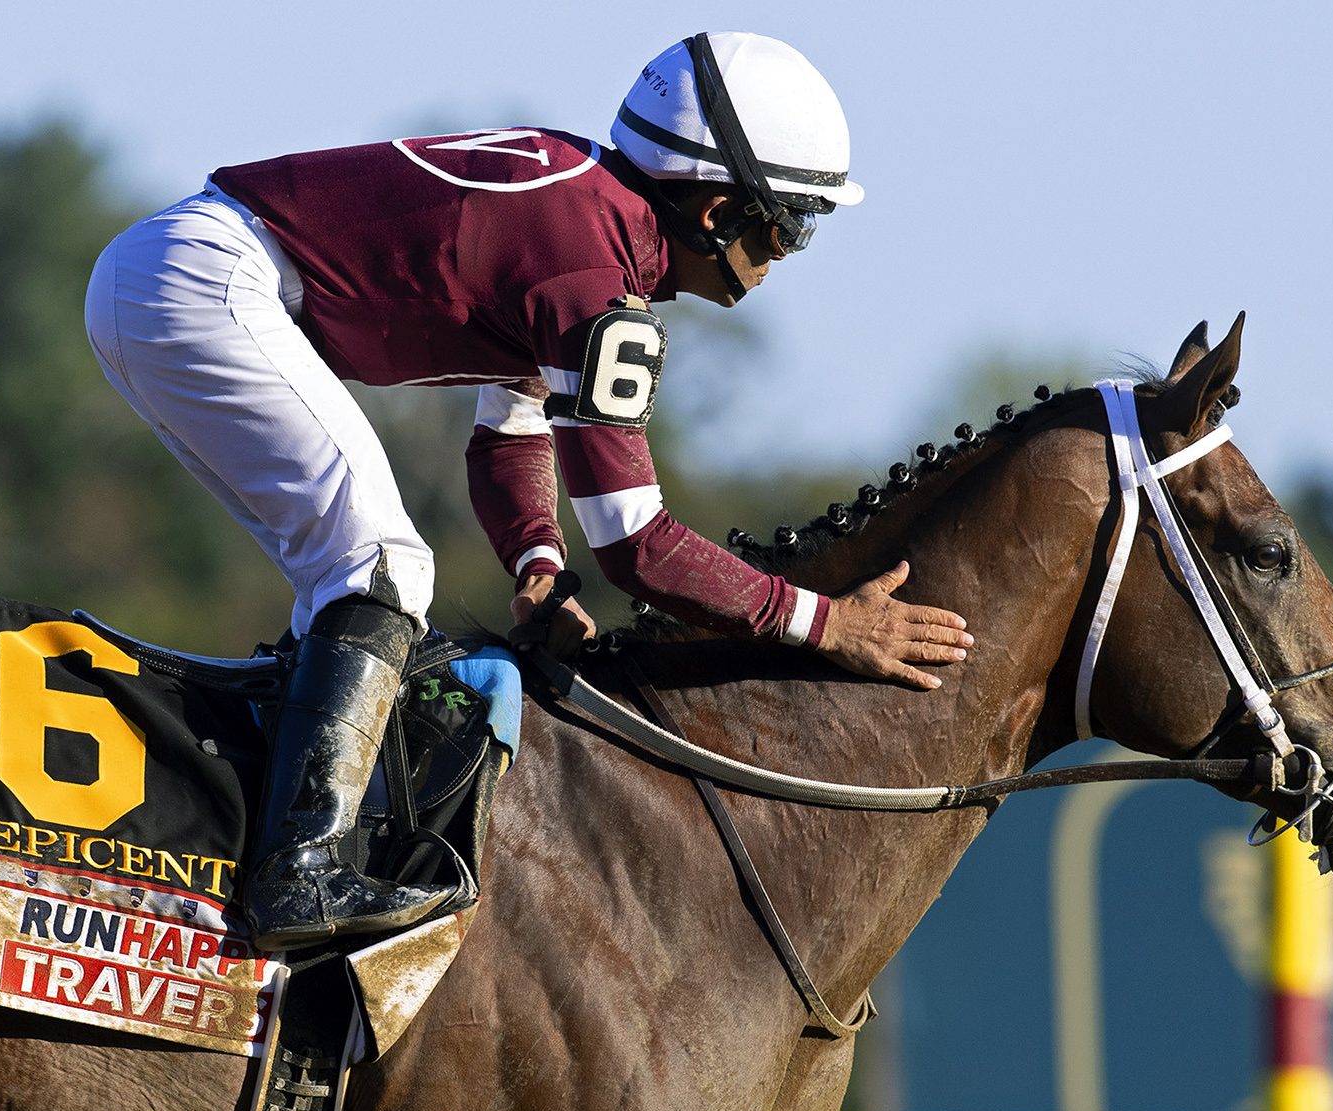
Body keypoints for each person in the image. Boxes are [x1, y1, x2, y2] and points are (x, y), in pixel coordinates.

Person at [83, 32, 974, 952]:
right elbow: (640, 548)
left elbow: (506, 431)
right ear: (716, 209)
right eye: (791, 223)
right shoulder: (593, 272)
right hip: (205, 283)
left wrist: (538, 564)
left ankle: (269, 825)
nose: (787, 253)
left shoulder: (590, 207)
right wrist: (826, 625)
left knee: (348, 577)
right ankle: (295, 873)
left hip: (178, 271)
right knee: (380, 566)